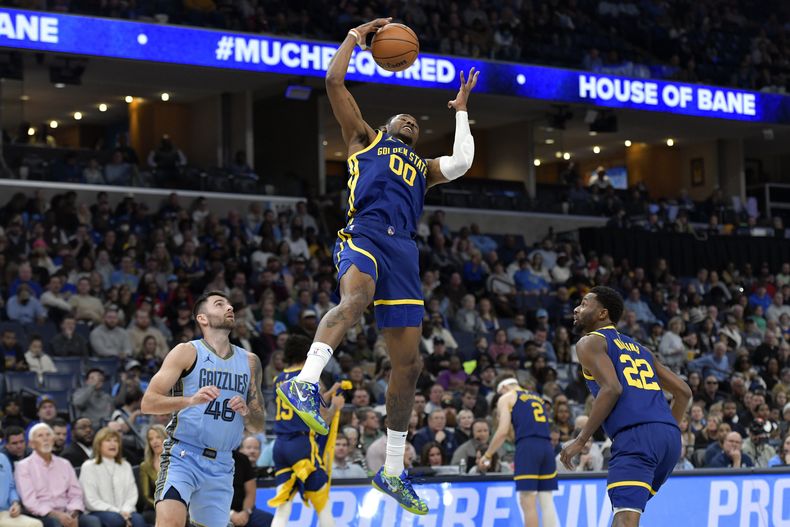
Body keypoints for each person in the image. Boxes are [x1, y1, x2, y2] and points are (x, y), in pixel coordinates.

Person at [277, 18, 479, 515]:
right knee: (356, 297)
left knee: (410, 366)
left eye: (415, 121)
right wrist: (352, 36)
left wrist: (460, 112)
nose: (408, 120)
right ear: (385, 127)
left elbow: (462, 163)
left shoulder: (423, 169)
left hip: (404, 252)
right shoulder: (363, 139)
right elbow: (333, 82)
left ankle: (391, 469)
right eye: (402, 119)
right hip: (364, 232)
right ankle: (305, 381)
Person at [560, 286, 692, 527]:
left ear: (603, 314)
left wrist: (580, 440)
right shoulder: (641, 349)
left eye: (585, 303)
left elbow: (612, 388)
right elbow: (683, 392)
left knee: (625, 518)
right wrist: (666, 429)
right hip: (669, 439)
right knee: (625, 512)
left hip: (635, 436)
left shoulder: (589, 342)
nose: (576, 308)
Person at [140, 291, 265, 527]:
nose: (229, 308)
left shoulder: (250, 361)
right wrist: (189, 400)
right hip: (183, 455)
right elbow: (148, 402)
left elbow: (259, 425)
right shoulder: (187, 351)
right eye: (220, 304)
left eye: (230, 305)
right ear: (202, 318)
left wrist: (247, 411)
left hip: (222, 463)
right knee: (171, 523)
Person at [268, 335, 343, 527]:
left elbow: (302, 405)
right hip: (301, 444)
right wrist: (335, 406)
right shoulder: (308, 377)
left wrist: (331, 390)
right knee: (322, 501)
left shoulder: (279, 378)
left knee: (283, 506)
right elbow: (321, 416)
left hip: (280, 446)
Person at [478, 378, 558, 527]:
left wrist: (487, 454)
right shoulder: (536, 396)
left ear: (504, 387)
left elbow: (502, 432)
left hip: (528, 447)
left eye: (499, 392)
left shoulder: (507, 397)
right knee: (546, 500)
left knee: (527, 501)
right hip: (547, 446)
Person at [15, 424, 101, 527]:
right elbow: (30, 502)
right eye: (40, 436)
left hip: (68, 511)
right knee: (55, 524)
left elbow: (76, 493)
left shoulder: (65, 464)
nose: (45, 438)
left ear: (53, 440)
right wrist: (56, 515)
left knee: (92, 522)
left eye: (48, 435)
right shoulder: (23, 466)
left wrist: (73, 513)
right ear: (32, 444)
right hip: (42, 514)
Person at [78, 427, 146, 527]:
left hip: (125, 510)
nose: (113, 444)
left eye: (116, 441)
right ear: (99, 444)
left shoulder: (125, 465)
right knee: (116, 520)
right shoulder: (89, 467)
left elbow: (132, 494)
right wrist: (118, 511)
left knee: (138, 521)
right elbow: (90, 500)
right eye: (108, 440)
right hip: (98, 511)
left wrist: (125, 510)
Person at [230, 449, 272, 527]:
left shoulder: (242, 459)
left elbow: (250, 493)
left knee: (272, 521)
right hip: (218, 511)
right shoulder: (208, 459)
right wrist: (230, 514)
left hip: (244, 510)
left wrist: (246, 512)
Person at [0, 449, 42, 527]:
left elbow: (11, 487)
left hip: (5, 512)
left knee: (35, 524)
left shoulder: (3, 458)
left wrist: (15, 503)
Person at [138, 425, 166, 523]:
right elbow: (146, 496)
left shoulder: (176, 461)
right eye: (151, 439)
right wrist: (162, 506)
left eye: (158, 437)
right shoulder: (145, 466)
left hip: (178, 505)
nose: (155, 441)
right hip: (153, 508)